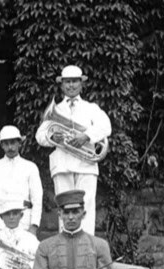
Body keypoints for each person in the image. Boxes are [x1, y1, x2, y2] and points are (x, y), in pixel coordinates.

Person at [35, 65, 112, 235]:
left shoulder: (91, 108)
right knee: (64, 209)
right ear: (61, 85)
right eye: (67, 82)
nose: (71, 85)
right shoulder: (56, 109)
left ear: (81, 84)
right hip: (62, 166)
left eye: (74, 81)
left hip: (86, 166)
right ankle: (66, 251)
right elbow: (39, 136)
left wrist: (86, 136)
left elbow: (106, 127)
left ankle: (85, 251)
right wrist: (53, 138)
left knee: (86, 208)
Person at [0, 125, 42, 235]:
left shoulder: (30, 167)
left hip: (24, 223)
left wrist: (34, 226)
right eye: (6, 143)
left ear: (19, 143)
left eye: (13, 143)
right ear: (1, 145)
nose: (10, 147)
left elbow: (37, 199)